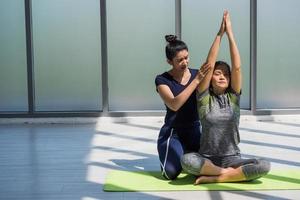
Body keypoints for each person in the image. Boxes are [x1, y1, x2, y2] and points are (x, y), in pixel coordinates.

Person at [180, 11, 270, 184]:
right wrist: (219, 34)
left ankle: (215, 178)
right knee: (187, 161)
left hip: (233, 158)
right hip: (207, 159)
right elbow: (208, 64)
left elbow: (237, 68)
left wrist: (230, 34)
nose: (222, 77)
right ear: (210, 78)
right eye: (218, 73)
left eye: (226, 75)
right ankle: (228, 174)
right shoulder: (204, 99)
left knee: (264, 165)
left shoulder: (233, 98)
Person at [155, 34, 211, 179]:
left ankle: (187, 154)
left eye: (186, 57)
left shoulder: (195, 74)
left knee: (212, 164)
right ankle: (176, 154)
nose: (185, 62)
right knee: (170, 174)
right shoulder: (162, 80)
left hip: (194, 130)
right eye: (179, 60)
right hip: (173, 132)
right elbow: (174, 104)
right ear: (169, 61)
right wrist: (197, 80)